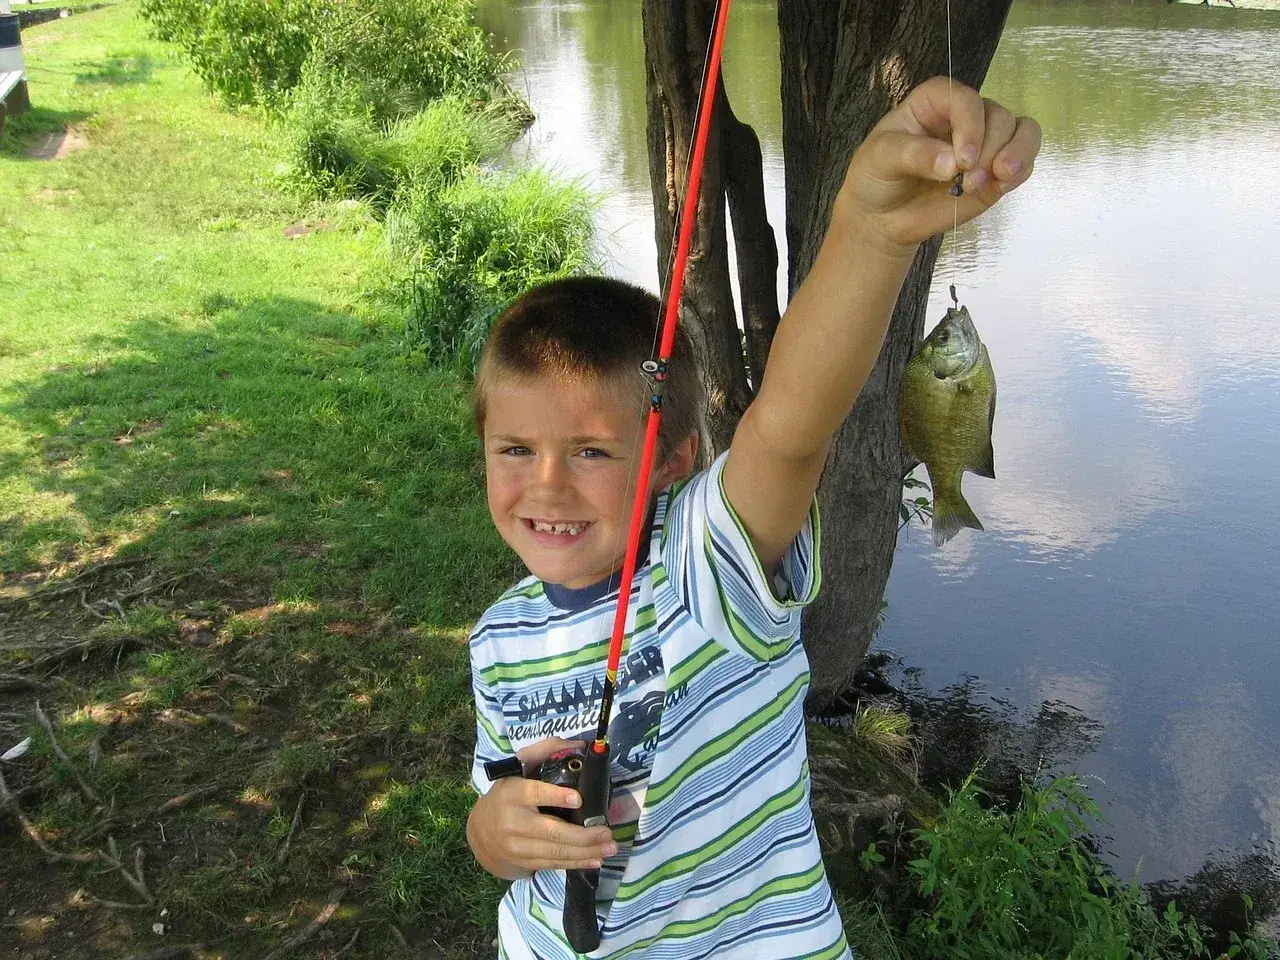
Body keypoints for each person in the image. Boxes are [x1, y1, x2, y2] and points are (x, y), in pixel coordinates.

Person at [465, 77, 1042, 959]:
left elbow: (787, 430)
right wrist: (494, 833)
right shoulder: (498, 640)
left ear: (672, 459)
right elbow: (499, 818)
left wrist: (872, 230)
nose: (546, 486)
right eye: (515, 449)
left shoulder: (701, 566)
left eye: (590, 452)